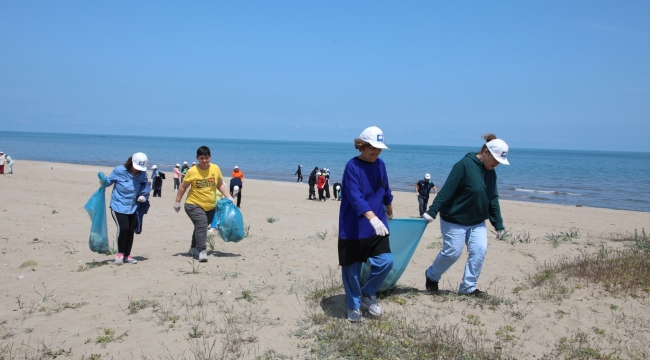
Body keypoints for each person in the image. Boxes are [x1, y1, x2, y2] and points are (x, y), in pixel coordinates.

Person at [422, 134, 510, 297]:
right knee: (452, 253)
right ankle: (431, 276)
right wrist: (432, 211)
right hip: (454, 218)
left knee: (479, 250)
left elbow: (493, 198)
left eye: (499, 162)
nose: (496, 164)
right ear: (485, 152)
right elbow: (447, 190)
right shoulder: (464, 165)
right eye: (495, 160)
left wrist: (498, 223)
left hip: (477, 221)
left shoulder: (491, 172)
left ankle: (468, 288)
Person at [338, 126, 394, 322]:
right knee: (352, 270)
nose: (376, 152)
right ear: (361, 146)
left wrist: (389, 210)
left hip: (377, 225)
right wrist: (373, 218)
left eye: (379, 149)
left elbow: (385, 190)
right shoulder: (352, 166)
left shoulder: (380, 165)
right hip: (354, 226)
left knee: (386, 262)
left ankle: (368, 293)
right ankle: (353, 306)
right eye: (372, 148)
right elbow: (355, 197)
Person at [174, 146, 233, 262]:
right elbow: (183, 187)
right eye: (202, 158)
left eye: (206, 158)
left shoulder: (215, 169)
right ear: (197, 158)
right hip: (193, 204)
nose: (204, 160)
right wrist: (177, 201)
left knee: (200, 226)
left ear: (210, 157)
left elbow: (219, 184)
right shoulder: (192, 171)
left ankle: (193, 248)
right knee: (202, 224)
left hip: (210, 206)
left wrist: (229, 196)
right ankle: (202, 251)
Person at [103, 152, 150, 265]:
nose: (137, 170)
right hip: (118, 205)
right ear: (131, 162)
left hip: (133, 207)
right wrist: (103, 181)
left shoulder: (143, 174)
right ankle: (120, 254)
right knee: (123, 228)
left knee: (131, 230)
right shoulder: (119, 170)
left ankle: (127, 255)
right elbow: (108, 182)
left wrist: (144, 195)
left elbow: (146, 185)